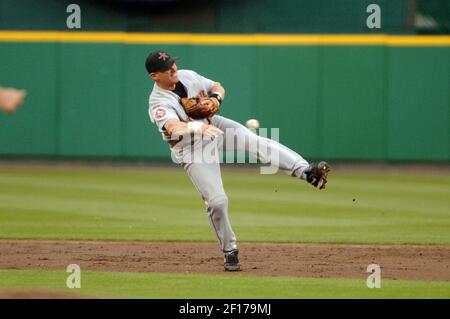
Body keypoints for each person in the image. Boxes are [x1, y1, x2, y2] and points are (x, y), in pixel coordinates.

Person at [145, 51, 330, 271]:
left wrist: (216, 99)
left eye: (173, 64)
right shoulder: (158, 101)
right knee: (217, 202)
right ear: (155, 76)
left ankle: (307, 171)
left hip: (215, 125)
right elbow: (173, 127)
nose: (173, 69)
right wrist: (200, 127)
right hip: (192, 148)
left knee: (255, 142)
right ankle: (230, 250)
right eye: (167, 68)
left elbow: (217, 86)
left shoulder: (188, 75)